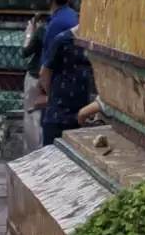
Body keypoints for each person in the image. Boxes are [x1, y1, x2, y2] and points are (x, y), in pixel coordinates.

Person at [39, 28, 96, 147]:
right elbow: (44, 73)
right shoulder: (63, 40)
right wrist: (53, 98)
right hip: (59, 116)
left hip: (84, 117)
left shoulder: (96, 44)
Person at [20, 9, 48, 154]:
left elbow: (25, 52)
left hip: (35, 76)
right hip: (51, 78)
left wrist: (29, 34)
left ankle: (32, 151)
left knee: (31, 116)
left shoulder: (43, 30)